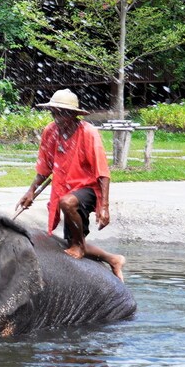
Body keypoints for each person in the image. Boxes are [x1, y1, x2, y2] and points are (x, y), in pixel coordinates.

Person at [16, 88, 126, 281]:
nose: (58, 118)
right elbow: (45, 168)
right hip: (64, 191)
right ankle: (113, 259)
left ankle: (81, 248)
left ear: (74, 114)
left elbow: (103, 174)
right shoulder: (50, 132)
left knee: (67, 205)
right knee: (71, 240)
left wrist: (105, 207)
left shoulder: (88, 133)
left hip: (89, 188)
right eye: (54, 112)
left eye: (63, 113)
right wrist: (31, 191)